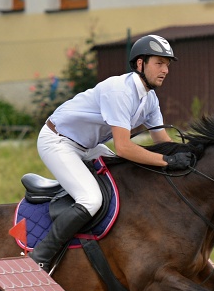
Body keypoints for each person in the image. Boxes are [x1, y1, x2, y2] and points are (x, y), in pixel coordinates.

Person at [32, 34, 195, 269]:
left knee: (126, 178)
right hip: (57, 142)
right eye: (159, 63)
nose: (165, 70)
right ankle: (41, 258)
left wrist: (190, 156)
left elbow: (162, 140)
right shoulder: (120, 91)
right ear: (140, 64)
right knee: (91, 199)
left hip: (87, 145)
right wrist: (167, 161)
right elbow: (124, 147)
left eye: (167, 65)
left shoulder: (150, 99)